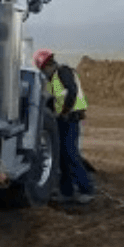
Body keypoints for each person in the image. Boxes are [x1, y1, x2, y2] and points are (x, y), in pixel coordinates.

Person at [33, 50, 94, 205]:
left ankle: (86, 189)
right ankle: (66, 192)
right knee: (62, 155)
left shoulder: (63, 72)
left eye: (43, 69)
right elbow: (54, 100)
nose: (43, 73)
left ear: (47, 65)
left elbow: (71, 92)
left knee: (71, 154)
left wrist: (65, 111)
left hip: (71, 118)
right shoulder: (53, 79)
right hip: (62, 119)